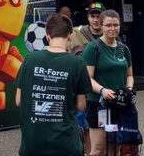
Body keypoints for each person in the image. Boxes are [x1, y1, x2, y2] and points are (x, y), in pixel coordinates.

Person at [15, 14, 92, 156]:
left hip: (32, 144)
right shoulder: (77, 63)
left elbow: (19, 100)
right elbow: (81, 105)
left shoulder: (29, 59)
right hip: (66, 143)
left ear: (47, 36)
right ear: (70, 36)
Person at [82, 10, 134, 156]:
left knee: (114, 145)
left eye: (116, 25)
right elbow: (87, 78)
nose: (113, 28)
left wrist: (129, 88)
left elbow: (129, 75)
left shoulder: (124, 49)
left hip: (118, 104)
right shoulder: (93, 48)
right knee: (98, 149)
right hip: (99, 105)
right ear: (102, 26)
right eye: (108, 25)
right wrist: (103, 90)